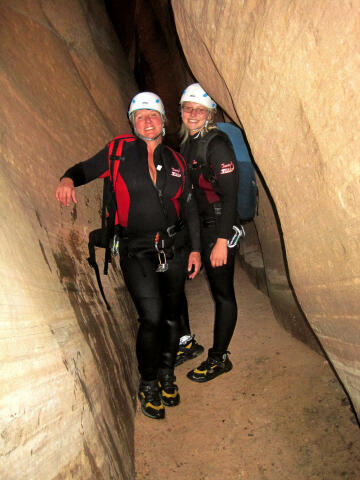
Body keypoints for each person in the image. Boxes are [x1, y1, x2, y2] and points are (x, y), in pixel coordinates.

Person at [56, 92, 201, 419]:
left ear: (163, 120)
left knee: (171, 315)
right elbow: (84, 169)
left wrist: (195, 249)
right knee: (151, 316)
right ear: (132, 122)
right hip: (137, 248)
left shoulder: (177, 160)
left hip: (175, 248)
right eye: (140, 116)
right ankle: (148, 382)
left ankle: (166, 373)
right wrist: (67, 179)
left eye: (153, 115)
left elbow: (189, 207)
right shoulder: (117, 152)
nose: (147, 120)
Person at [178, 83, 239, 382]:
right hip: (204, 225)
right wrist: (195, 245)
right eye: (188, 108)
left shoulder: (216, 145)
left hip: (221, 227)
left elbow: (231, 196)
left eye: (199, 110)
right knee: (217, 291)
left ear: (209, 114)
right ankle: (215, 354)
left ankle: (219, 358)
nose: (193, 114)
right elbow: (190, 200)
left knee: (223, 293)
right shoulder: (187, 145)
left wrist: (221, 242)